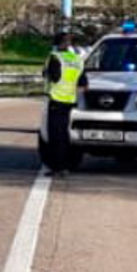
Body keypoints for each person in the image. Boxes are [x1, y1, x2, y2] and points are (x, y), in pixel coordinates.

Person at [41, 31, 83, 175]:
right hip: (70, 100)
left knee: (54, 136)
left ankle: (58, 167)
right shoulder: (76, 59)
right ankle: (65, 166)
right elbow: (83, 83)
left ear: (56, 43)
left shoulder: (55, 57)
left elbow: (53, 77)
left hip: (56, 99)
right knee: (64, 134)